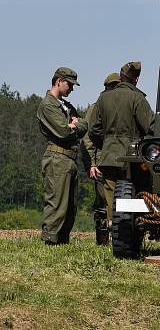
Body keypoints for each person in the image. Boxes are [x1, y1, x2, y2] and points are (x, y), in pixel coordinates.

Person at [89, 62, 155, 231]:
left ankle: (113, 228)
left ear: (120, 76)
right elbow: (151, 127)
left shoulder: (103, 98)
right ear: (136, 80)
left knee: (111, 193)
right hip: (133, 156)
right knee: (135, 191)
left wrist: (106, 144)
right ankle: (133, 229)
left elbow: (93, 129)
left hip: (109, 154)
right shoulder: (138, 98)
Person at [37, 67, 88, 245]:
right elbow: (63, 132)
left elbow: (84, 125)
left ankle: (62, 240)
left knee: (69, 205)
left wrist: (76, 125)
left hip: (69, 159)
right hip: (57, 158)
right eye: (70, 85)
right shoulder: (48, 105)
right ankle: (51, 240)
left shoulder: (66, 106)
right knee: (57, 202)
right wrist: (72, 125)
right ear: (59, 81)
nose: (72, 89)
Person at [80, 72, 120, 245]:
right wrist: (92, 164)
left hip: (118, 162)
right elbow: (87, 138)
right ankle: (103, 242)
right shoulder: (97, 108)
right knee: (102, 203)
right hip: (102, 163)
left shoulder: (118, 107)